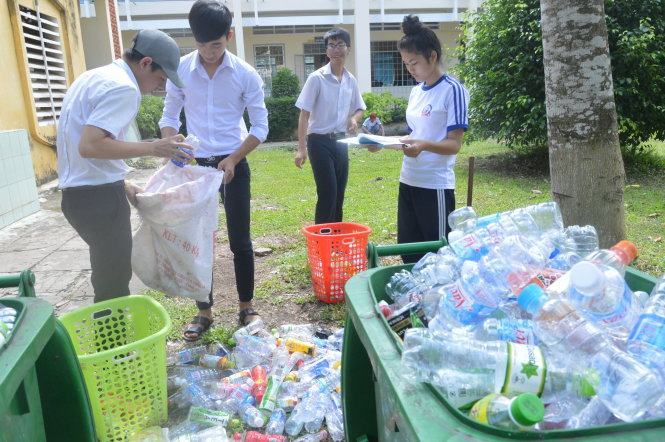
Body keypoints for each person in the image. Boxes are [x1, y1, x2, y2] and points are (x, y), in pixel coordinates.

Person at [159, 0, 269, 340]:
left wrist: (234, 159)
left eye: (217, 44)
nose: (209, 52)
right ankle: (203, 311)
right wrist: (174, 144)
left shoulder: (245, 74)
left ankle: (246, 306)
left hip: (232, 161)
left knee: (240, 238)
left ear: (229, 35)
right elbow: (168, 117)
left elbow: (260, 127)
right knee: (198, 239)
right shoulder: (180, 70)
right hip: (196, 166)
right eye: (203, 44)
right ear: (194, 38)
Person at [57, 30, 191, 304]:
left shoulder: (94, 76)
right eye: (160, 78)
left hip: (79, 196)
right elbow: (90, 145)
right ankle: (115, 346)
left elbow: (82, 147)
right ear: (145, 63)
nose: (159, 86)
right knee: (113, 285)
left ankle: (114, 343)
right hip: (98, 200)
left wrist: (123, 183)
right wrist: (155, 147)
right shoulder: (124, 88)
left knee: (109, 276)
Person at [368, 15, 469, 263]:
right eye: (405, 63)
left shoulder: (452, 90)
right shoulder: (416, 91)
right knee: (409, 251)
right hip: (409, 180)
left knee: (437, 253)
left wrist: (423, 146)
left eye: (413, 62)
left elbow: (454, 144)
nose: (409, 69)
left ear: (432, 56)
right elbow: (415, 135)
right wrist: (381, 143)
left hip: (434, 184)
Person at [294, 28, 366, 224]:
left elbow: (360, 108)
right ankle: (322, 240)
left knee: (339, 194)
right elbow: (304, 114)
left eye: (340, 45)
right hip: (319, 142)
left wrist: (354, 119)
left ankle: (335, 239)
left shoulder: (350, 80)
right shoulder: (316, 78)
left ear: (348, 49)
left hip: (341, 141)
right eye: (332, 46)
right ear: (326, 51)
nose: (336, 50)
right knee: (328, 193)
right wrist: (302, 149)